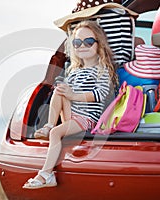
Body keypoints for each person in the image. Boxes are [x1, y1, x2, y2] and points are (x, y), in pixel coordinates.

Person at [22, 20, 117, 189]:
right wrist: (67, 92)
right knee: (59, 89)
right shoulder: (74, 71)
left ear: (99, 44)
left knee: (56, 133)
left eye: (88, 41)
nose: (82, 46)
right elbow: (66, 96)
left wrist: (73, 95)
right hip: (72, 114)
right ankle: (49, 124)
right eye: (77, 42)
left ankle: (46, 174)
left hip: (88, 118)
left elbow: (99, 94)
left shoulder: (102, 69)